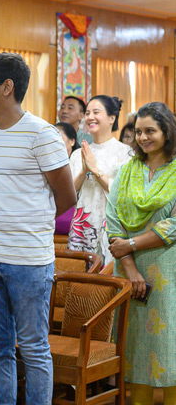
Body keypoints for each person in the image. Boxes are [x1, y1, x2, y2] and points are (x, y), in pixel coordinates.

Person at [0, 52, 76, 404]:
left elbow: (66, 196)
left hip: (29, 259)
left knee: (32, 347)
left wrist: (28, 225)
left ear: (7, 87)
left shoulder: (41, 134)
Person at [106, 102, 176, 405]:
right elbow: (113, 219)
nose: (144, 137)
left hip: (168, 270)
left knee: (169, 345)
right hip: (129, 272)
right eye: (139, 132)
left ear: (167, 132)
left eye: (151, 131)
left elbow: (173, 225)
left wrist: (132, 244)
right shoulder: (127, 171)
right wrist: (130, 267)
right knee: (135, 347)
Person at [68, 95, 132, 265]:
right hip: (83, 225)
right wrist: (84, 170)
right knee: (79, 281)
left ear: (112, 118)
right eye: (87, 113)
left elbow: (123, 195)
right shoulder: (78, 153)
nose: (90, 117)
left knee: (107, 282)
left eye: (96, 112)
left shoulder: (125, 153)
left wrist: (95, 170)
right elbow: (69, 193)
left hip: (112, 227)